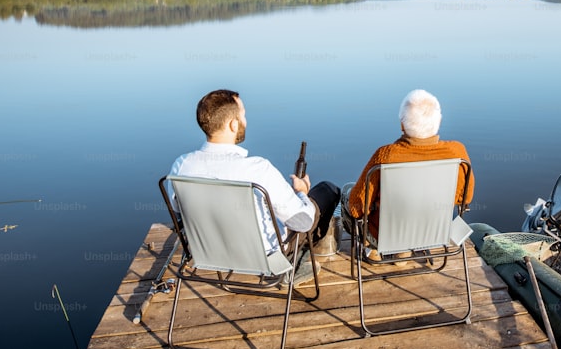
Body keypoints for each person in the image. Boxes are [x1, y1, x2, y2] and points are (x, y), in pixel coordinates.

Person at [168, 89, 340, 259]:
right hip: (263, 255)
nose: (245, 121)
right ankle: (300, 262)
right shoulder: (257, 169)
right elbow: (302, 222)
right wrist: (302, 193)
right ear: (233, 124)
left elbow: (179, 210)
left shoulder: (181, 166)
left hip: (207, 250)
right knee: (328, 191)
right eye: (243, 115)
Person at [343, 89, 474, 245]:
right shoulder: (457, 153)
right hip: (435, 233)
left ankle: (375, 249)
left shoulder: (386, 155)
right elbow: (465, 198)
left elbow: (356, 208)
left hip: (387, 237)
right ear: (438, 121)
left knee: (347, 191)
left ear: (402, 125)